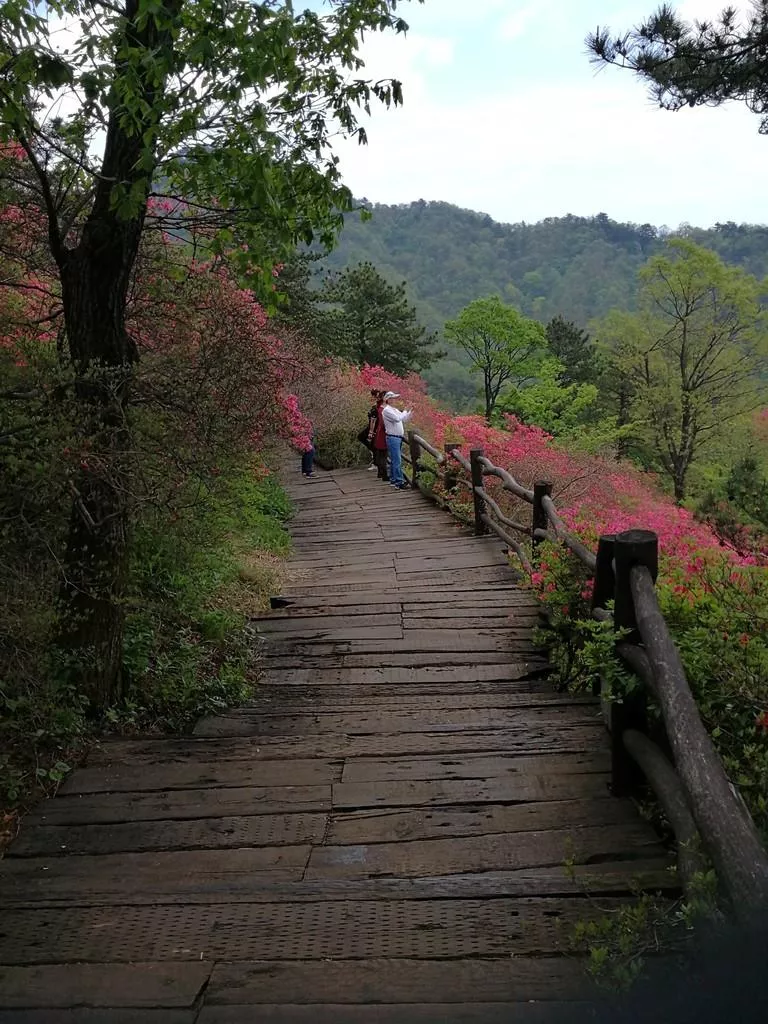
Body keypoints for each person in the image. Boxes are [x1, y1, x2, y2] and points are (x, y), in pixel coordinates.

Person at [381, 391, 412, 490]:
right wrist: (405, 411)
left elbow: (405, 419)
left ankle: (394, 480)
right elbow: (398, 419)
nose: (394, 400)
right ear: (388, 399)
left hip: (396, 437)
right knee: (397, 460)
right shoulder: (387, 410)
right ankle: (399, 482)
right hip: (393, 437)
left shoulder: (394, 409)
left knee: (395, 460)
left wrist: (410, 411)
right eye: (392, 398)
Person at [370, 390, 389, 481]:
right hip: (383, 433)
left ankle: (380, 473)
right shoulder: (383, 409)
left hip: (378, 433)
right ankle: (384, 475)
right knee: (383, 455)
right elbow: (380, 422)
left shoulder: (377, 407)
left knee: (381, 454)